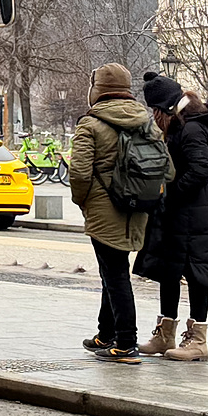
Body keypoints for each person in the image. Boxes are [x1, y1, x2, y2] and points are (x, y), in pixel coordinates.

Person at [70, 63, 167, 363]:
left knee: (115, 273)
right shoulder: (146, 121)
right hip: (139, 206)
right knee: (112, 269)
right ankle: (106, 332)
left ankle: (125, 343)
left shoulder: (91, 124)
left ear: (97, 89)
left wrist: (83, 201)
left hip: (103, 207)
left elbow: (79, 173)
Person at [134, 73, 208, 362]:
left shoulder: (192, 130)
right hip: (183, 212)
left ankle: (198, 341)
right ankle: (165, 334)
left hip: (195, 213)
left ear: (165, 109)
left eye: (156, 111)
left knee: (197, 273)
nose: (154, 117)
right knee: (169, 271)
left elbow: (200, 170)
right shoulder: (182, 126)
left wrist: (170, 195)